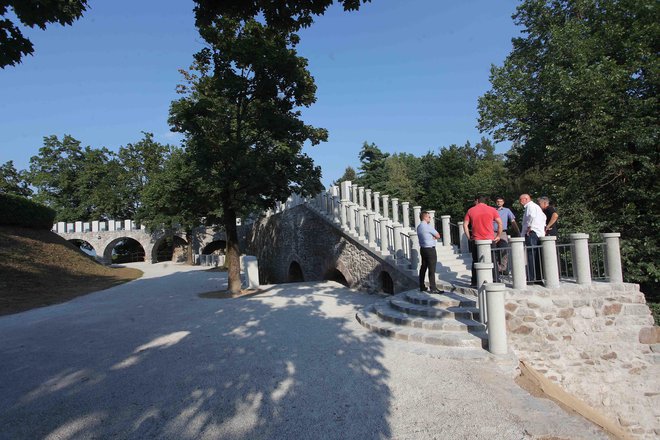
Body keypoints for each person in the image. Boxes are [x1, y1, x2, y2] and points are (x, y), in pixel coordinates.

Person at [463, 195, 502, 287]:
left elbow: (465, 225)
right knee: (493, 260)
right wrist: (498, 236)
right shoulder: (492, 210)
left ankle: (475, 282)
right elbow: (500, 223)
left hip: (476, 240)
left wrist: (469, 237)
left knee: (476, 260)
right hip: (490, 239)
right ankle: (495, 279)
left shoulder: (471, 210)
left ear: (477, 201)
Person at [519, 194, 546, 283]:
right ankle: (538, 278)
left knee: (531, 256)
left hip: (532, 233)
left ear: (526, 199)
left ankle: (531, 278)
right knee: (536, 256)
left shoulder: (530, 206)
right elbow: (544, 217)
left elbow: (531, 217)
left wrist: (529, 228)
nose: (520, 202)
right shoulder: (536, 206)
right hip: (537, 232)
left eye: (521, 199)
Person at [493, 196, 520, 273]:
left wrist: (518, 232)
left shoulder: (507, 210)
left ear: (503, 202)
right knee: (494, 250)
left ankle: (503, 268)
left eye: (501, 201)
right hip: (493, 232)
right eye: (498, 201)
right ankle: (496, 268)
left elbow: (512, 221)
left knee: (504, 250)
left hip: (503, 232)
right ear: (496, 202)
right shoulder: (492, 210)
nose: (499, 203)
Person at [416, 211, 440, 293]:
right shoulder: (428, 226)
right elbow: (438, 235)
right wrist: (434, 237)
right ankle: (433, 288)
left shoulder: (419, 227)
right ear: (425, 217)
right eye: (429, 217)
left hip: (423, 249)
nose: (430, 218)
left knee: (423, 268)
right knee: (432, 269)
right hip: (430, 249)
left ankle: (422, 286)